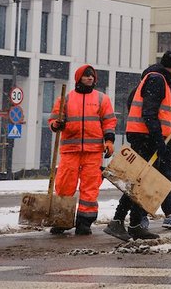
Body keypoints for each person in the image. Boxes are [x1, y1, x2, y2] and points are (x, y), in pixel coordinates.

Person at [104, 51, 171, 241]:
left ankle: (134, 224)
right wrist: (158, 140)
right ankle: (119, 221)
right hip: (146, 137)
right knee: (140, 180)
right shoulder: (157, 80)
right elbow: (149, 113)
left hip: (147, 136)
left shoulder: (157, 79)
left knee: (141, 181)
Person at [47, 65, 117, 236]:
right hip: (70, 150)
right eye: (86, 76)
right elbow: (54, 120)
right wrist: (56, 124)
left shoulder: (102, 99)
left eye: (92, 76)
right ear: (79, 79)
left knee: (90, 187)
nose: (90, 78)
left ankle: (84, 222)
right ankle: (61, 220)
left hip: (93, 151)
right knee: (64, 185)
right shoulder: (66, 99)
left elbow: (109, 122)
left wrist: (109, 141)